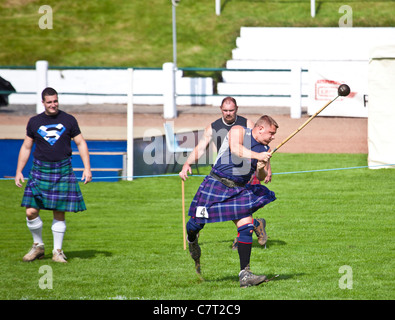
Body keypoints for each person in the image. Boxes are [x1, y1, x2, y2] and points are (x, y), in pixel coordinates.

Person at [184, 115, 278, 287]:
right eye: (271, 133)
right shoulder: (239, 131)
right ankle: (192, 240)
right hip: (216, 184)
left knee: (247, 227)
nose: (273, 137)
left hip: (238, 189)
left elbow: (260, 176)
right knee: (195, 224)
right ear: (260, 128)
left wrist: (261, 166)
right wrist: (258, 155)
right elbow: (236, 149)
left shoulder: (265, 148)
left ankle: (245, 274)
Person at [179, 97, 271, 248]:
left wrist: (268, 171)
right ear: (221, 110)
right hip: (221, 174)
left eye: (231, 110)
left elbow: (262, 148)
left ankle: (242, 238)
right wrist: (187, 163)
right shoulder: (213, 127)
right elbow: (201, 147)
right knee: (214, 210)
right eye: (225, 110)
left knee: (241, 207)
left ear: (237, 109)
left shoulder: (247, 124)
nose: (228, 113)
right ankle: (256, 224)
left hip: (245, 172)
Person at [15, 87, 92, 263]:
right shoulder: (34, 122)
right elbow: (27, 147)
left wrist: (87, 168)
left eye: (55, 101)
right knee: (31, 211)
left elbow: (80, 142)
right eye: (49, 102)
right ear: (43, 102)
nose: (53, 105)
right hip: (40, 170)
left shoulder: (68, 120)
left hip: (62, 169)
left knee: (59, 212)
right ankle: (38, 247)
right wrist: (19, 170)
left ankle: (57, 251)